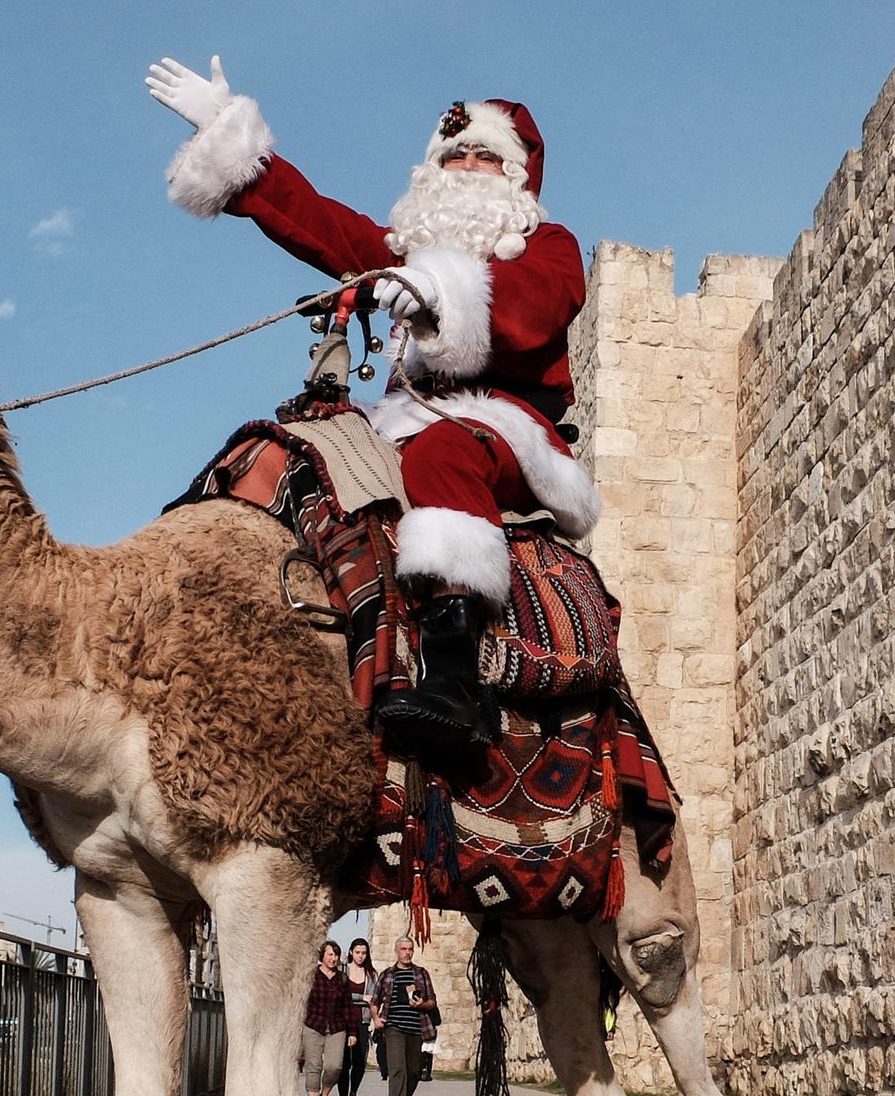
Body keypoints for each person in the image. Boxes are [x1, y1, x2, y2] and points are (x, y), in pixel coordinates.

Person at [147, 56, 602, 758]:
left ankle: (456, 677)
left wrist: (440, 294)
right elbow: (322, 225)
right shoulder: (406, 251)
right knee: (288, 450)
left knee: (445, 454)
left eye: (485, 156)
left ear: (514, 176)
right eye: (455, 155)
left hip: (507, 427)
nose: (468, 165)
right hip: (401, 420)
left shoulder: (549, 247)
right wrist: (236, 145)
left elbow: (531, 312)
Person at [371, 935, 438, 1096]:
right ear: (396, 951)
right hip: (393, 1027)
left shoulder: (421, 974)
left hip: (417, 1028)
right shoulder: (387, 974)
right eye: (403, 949)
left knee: (414, 1071)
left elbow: (432, 1002)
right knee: (397, 1068)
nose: (407, 953)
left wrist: (422, 1004)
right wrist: (376, 1019)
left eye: (410, 949)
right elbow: (375, 1001)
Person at [300, 940, 354, 1096]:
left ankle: (325, 1095)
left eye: (336, 955)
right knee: (313, 1066)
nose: (334, 958)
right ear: (322, 956)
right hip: (313, 1025)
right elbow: (301, 1001)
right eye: (330, 954)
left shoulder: (343, 979)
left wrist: (352, 1032)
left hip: (337, 1027)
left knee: (334, 1066)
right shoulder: (310, 975)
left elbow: (348, 1006)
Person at [339, 937, 374, 1096]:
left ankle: (353, 1094)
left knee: (360, 1062)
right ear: (351, 952)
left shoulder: (370, 975)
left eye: (364, 953)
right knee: (344, 1062)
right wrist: (361, 999)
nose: (360, 956)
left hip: (362, 1021)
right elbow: (341, 996)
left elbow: (373, 998)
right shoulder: (342, 971)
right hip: (343, 1021)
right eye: (357, 952)